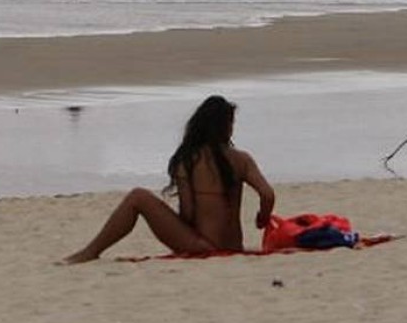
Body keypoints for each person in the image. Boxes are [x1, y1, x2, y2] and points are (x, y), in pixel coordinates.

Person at [62, 95, 276, 264]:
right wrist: (262, 218)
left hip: (204, 247)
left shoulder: (188, 159)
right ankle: (89, 252)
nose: (232, 129)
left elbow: (188, 214)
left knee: (138, 197)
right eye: (231, 123)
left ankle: (90, 252)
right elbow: (267, 194)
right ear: (223, 126)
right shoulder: (242, 159)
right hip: (234, 247)